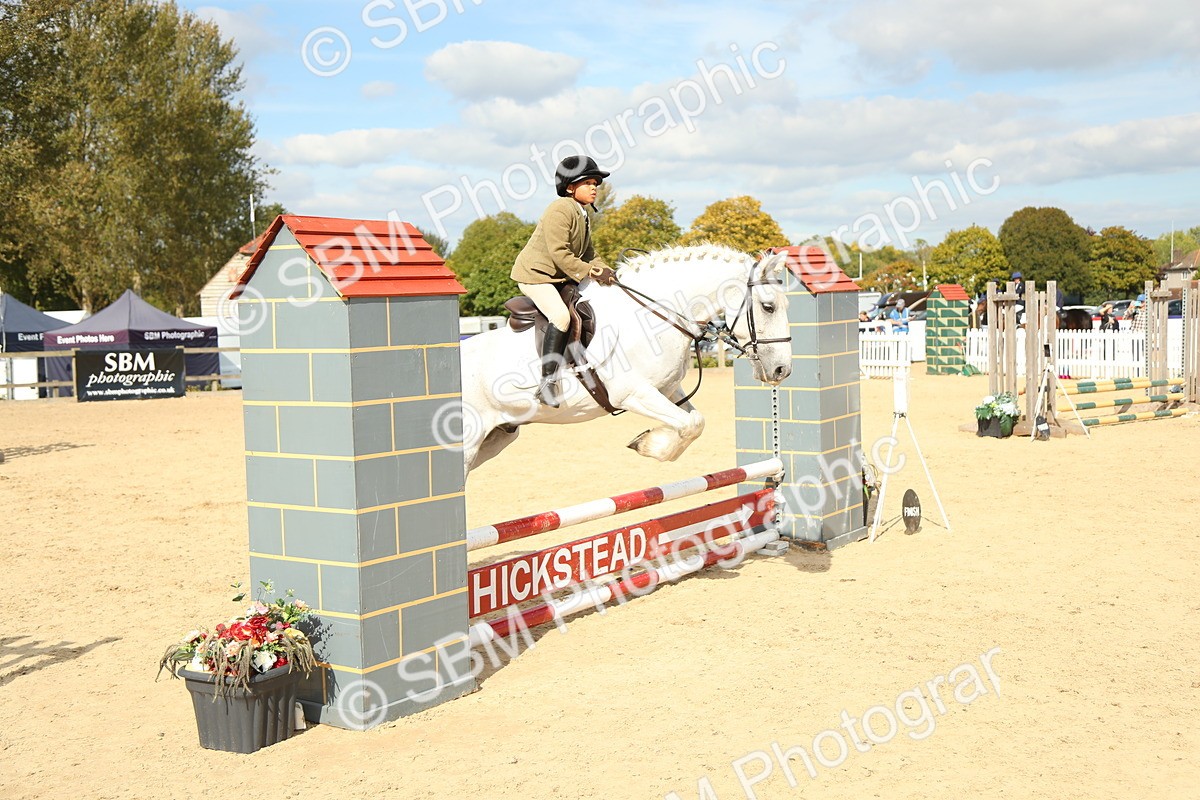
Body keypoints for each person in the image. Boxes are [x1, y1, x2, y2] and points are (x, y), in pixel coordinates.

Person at [510, 155, 616, 407]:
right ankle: (548, 382)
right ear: (570, 187)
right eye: (588, 182)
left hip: (560, 275)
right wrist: (591, 273)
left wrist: (607, 271)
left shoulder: (582, 213)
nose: (594, 187)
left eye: (596, 183)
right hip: (536, 276)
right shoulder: (560, 209)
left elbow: (589, 254)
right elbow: (560, 253)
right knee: (561, 317)